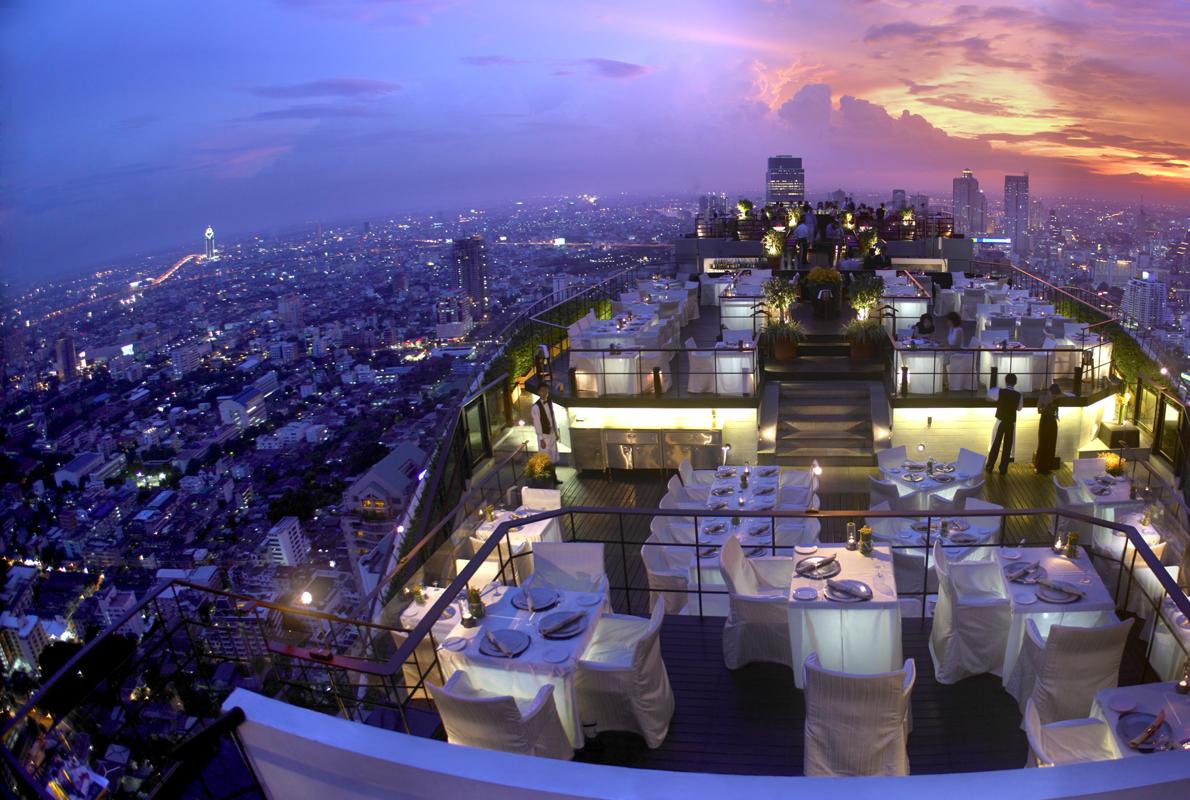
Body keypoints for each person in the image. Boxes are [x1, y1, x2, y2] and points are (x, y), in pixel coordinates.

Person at [986, 373, 1023, 475]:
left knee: (995, 444)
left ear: (1005, 381)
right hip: (1011, 422)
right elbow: (1019, 408)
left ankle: (990, 466)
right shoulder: (1018, 395)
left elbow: (988, 397)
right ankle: (1003, 468)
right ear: (1015, 383)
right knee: (1007, 446)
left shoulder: (999, 391)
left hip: (1000, 420)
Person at [1034, 382, 1062, 474]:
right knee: (1043, 443)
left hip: (1052, 422)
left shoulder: (1057, 398)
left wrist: (1056, 415)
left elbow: (1056, 409)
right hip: (1045, 422)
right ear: (1050, 392)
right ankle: (1039, 466)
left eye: (1056, 395)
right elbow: (1039, 411)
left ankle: (1048, 467)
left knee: (1051, 444)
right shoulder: (1043, 397)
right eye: (1054, 395)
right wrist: (1047, 404)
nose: (1055, 397)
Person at [530, 383, 559, 462]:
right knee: (545, 457)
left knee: (553, 456)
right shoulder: (536, 407)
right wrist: (541, 439)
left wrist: (556, 432)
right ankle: (547, 473)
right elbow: (537, 424)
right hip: (544, 435)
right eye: (542, 391)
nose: (545, 392)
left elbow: (553, 418)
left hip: (552, 433)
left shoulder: (550, 402)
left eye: (546, 390)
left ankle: (553, 472)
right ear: (539, 392)